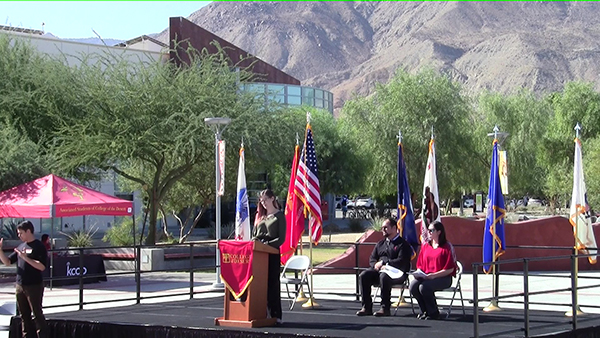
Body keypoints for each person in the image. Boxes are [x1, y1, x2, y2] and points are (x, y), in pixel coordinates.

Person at [0, 220, 48, 338]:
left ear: (28, 231)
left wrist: (26, 258)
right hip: (20, 285)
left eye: (21, 233)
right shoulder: (20, 247)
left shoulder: (39, 246)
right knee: (24, 315)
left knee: (37, 314)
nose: (19, 235)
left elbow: (41, 266)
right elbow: (7, 262)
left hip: (34, 285)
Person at [356, 218, 412, 317]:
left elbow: (402, 261)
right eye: (382, 228)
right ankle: (367, 307)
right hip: (380, 271)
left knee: (384, 277)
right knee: (364, 275)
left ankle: (385, 308)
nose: (383, 230)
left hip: (396, 274)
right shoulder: (380, 244)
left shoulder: (403, 244)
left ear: (394, 228)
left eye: (386, 228)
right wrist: (375, 265)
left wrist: (385, 263)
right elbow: (372, 259)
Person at [410, 220, 456, 320]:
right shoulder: (426, 246)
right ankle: (424, 310)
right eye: (428, 230)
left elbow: (450, 269)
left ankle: (433, 312)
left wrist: (434, 275)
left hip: (443, 277)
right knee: (413, 286)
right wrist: (418, 273)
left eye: (431, 230)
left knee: (424, 287)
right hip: (426, 276)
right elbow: (420, 265)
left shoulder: (447, 247)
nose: (429, 233)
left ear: (439, 232)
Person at [252, 189, 286, 324]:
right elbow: (255, 235)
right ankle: (260, 313)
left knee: (272, 284)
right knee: (259, 285)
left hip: (271, 254)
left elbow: (281, 238)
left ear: (272, 198)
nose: (263, 203)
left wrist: (266, 245)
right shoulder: (261, 217)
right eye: (261, 201)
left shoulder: (279, 216)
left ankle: (275, 314)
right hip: (258, 255)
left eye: (265, 199)